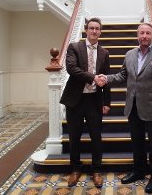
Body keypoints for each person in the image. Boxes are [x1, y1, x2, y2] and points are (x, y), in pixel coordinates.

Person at [98, 23, 152, 194]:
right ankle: (139, 171)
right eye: (142, 33)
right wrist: (107, 78)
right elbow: (122, 75)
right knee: (137, 142)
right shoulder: (130, 54)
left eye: (148, 33)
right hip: (133, 106)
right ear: (137, 35)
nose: (144, 36)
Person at [60, 17, 111, 188]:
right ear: (86, 30)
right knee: (74, 137)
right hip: (75, 99)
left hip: (94, 100)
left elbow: (106, 79)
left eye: (97, 28)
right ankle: (75, 169)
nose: (94, 31)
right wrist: (93, 78)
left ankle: (96, 170)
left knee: (96, 137)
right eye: (91, 28)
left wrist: (107, 102)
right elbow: (72, 69)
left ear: (100, 31)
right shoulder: (74, 47)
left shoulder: (104, 53)